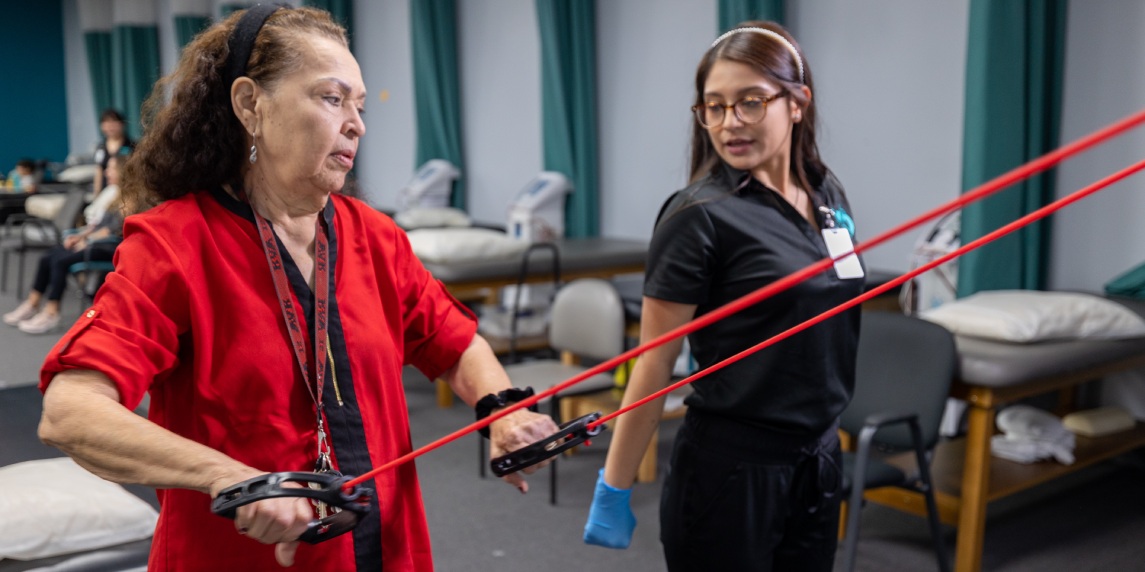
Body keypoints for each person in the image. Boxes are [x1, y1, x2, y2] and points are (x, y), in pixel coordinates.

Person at [36, 6, 559, 571]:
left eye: (358, 105)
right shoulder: (175, 244)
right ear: (249, 105)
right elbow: (70, 412)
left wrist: (502, 408)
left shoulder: (375, 236)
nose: (357, 123)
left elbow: (456, 343)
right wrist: (229, 478)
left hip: (383, 551)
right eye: (332, 99)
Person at [583, 21, 864, 571]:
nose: (730, 123)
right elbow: (653, 364)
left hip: (818, 459)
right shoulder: (698, 216)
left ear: (798, 102)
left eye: (750, 102)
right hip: (732, 471)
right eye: (713, 106)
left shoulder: (825, 192)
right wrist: (614, 486)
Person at [2, 154, 125, 334]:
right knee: (48, 256)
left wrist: (86, 240)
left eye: (111, 168)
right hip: (95, 242)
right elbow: (97, 225)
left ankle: (52, 312)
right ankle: (32, 303)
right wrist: (79, 235)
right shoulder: (113, 194)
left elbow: (112, 231)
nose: (106, 171)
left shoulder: (128, 199)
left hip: (108, 247)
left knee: (60, 261)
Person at [91, 108, 134, 193]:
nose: (110, 126)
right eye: (106, 122)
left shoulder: (131, 146)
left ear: (121, 124)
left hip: (126, 191)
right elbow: (99, 171)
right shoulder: (101, 148)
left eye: (113, 121)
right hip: (106, 191)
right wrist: (97, 193)